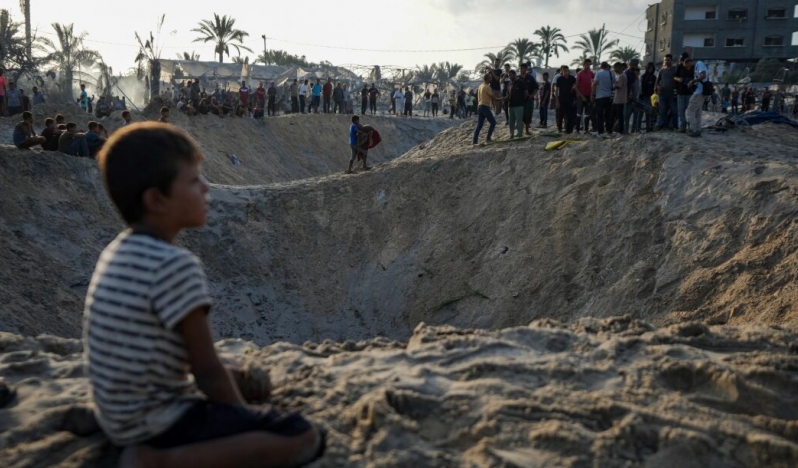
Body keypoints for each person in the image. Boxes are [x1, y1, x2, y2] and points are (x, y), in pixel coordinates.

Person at [86, 122, 325, 468]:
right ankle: (158, 461)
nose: (207, 186)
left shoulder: (116, 251)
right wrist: (243, 420)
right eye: (194, 180)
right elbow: (206, 372)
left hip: (116, 412)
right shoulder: (175, 265)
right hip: (155, 422)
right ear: (157, 200)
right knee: (301, 435)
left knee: (235, 371)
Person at [473, 74, 500, 145]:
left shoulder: (481, 86)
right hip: (485, 106)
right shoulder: (487, 87)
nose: (491, 79)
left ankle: (475, 141)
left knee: (479, 125)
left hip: (479, 106)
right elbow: (493, 97)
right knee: (493, 122)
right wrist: (502, 99)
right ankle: (488, 138)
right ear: (487, 79)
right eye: (490, 78)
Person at [654, 54, 677, 131]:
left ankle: (674, 126)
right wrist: (656, 89)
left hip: (672, 94)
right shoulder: (662, 70)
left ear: (671, 60)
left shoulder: (675, 69)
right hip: (662, 94)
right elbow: (657, 81)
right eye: (665, 60)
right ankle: (665, 126)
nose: (666, 61)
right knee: (663, 110)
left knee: (674, 111)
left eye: (668, 60)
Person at [592, 62, 614, 137]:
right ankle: (608, 130)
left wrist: (592, 94)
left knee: (599, 115)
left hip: (599, 97)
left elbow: (594, 84)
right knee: (608, 115)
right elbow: (613, 85)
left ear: (601, 66)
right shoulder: (611, 74)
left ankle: (600, 131)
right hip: (608, 97)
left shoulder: (598, 73)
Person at [674, 52, 693, 133]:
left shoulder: (693, 68)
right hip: (681, 91)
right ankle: (682, 126)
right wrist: (680, 79)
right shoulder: (679, 67)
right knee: (681, 110)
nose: (682, 62)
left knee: (689, 110)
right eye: (681, 60)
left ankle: (690, 126)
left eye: (683, 60)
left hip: (690, 92)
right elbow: (675, 76)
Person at [554, 66, 577, 134]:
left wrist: (573, 88)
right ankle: (559, 129)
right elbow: (556, 90)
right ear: (562, 71)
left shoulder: (572, 78)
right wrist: (557, 100)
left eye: (567, 70)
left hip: (570, 100)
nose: (566, 72)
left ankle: (568, 130)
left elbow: (576, 85)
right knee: (560, 116)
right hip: (561, 100)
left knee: (570, 116)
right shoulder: (559, 79)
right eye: (564, 71)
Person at [575, 59, 594, 133]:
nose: (588, 66)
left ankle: (586, 129)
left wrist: (592, 95)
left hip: (588, 95)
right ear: (584, 64)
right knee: (579, 113)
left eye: (589, 64)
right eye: (587, 64)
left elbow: (593, 84)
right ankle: (577, 129)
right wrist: (582, 96)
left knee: (587, 113)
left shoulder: (591, 73)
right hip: (581, 96)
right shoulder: (580, 74)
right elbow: (576, 87)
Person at [506, 69, 527, 139]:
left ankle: (520, 134)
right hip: (510, 105)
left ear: (515, 75)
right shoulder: (509, 84)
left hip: (519, 105)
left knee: (519, 120)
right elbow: (508, 94)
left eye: (511, 75)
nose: (509, 76)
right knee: (511, 121)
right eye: (509, 75)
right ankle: (511, 134)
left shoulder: (520, 82)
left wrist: (521, 100)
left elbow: (525, 93)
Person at [520, 63, 539, 134]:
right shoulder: (518, 78)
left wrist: (532, 95)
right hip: (520, 100)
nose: (521, 70)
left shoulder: (530, 78)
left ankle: (527, 131)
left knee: (528, 115)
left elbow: (536, 88)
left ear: (525, 69)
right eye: (520, 68)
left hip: (528, 100)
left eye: (522, 68)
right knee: (520, 116)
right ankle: (520, 130)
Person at [639, 62, 657, 132]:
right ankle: (638, 128)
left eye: (651, 68)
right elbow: (641, 87)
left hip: (652, 97)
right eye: (649, 68)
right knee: (640, 114)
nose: (650, 69)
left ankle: (649, 128)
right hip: (643, 96)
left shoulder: (654, 77)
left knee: (649, 113)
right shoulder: (643, 76)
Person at [611, 62, 628, 135]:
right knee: (616, 114)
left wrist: (613, 85)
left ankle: (620, 130)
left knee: (619, 115)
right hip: (618, 98)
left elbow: (617, 86)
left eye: (615, 68)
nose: (614, 70)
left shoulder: (621, 76)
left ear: (618, 67)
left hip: (619, 99)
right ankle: (617, 129)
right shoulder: (621, 75)